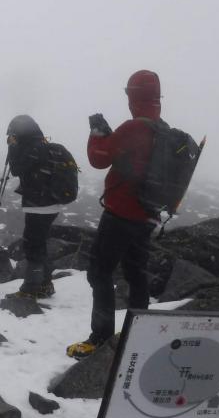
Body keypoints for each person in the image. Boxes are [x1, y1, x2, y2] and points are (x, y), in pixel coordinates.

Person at [67, 70, 160, 359]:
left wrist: (97, 133)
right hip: (147, 215)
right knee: (136, 273)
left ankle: (101, 335)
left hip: (121, 213)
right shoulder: (162, 129)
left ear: (133, 95)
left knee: (100, 272)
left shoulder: (135, 127)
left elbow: (99, 158)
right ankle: (139, 333)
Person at [6, 115, 65, 299]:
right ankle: (45, 285)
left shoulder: (32, 148)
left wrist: (12, 146)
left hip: (38, 205)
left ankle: (30, 289)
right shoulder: (45, 146)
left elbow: (16, 168)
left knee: (32, 246)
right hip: (52, 203)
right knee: (39, 243)